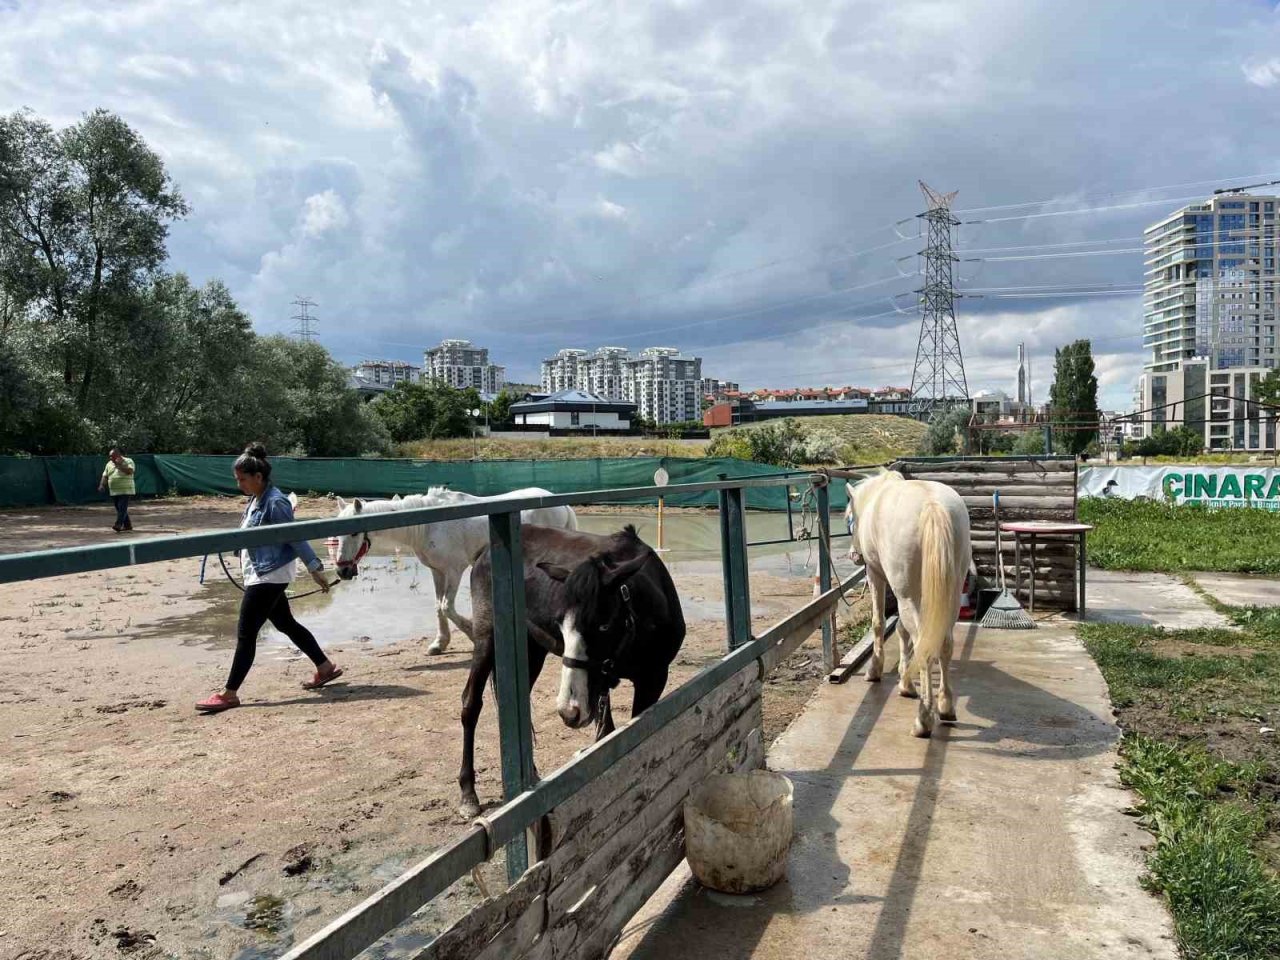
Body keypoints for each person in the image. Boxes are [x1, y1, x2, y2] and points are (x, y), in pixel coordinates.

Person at [196, 443, 343, 713]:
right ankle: (325, 667)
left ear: (258, 477)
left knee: (246, 633)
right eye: (237, 479)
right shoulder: (256, 498)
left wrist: (314, 567)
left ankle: (229, 693)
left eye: (242, 479)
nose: (239, 484)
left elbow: (294, 534)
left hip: (270, 575)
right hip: (262, 571)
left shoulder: (276, 501)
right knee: (286, 623)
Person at [98, 446, 136, 532]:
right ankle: (128, 526)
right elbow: (105, 475)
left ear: (118, 455)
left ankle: (118, 524)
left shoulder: (128, 461)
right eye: (110, 456)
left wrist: (118, 465)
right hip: (114, 490)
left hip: (126, 489)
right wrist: (101, 485)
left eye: (113, 456)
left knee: (122, 508)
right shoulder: (108, 464)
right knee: (120, 508)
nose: (111, 458)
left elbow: (130, 471)